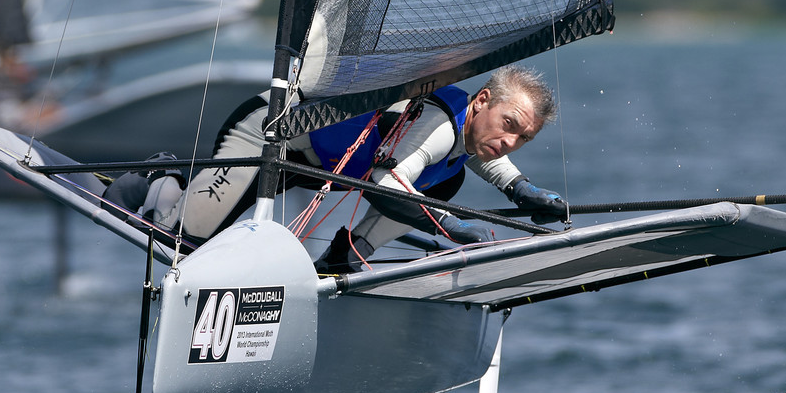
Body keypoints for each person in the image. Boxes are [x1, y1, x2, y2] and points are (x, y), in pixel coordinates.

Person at [107, 65, 570, 274]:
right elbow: (386, 181)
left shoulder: (470, 137)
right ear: (482, 101)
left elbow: (483, 156)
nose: (510, 141)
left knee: (447, 180)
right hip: (269, 135)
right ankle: (161, 180)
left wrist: (522, 190)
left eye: (523, 138)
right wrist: (452, 227)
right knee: (178, 244)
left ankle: (346, 257)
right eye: (509, 126)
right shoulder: (439, 124)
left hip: (315, 166)